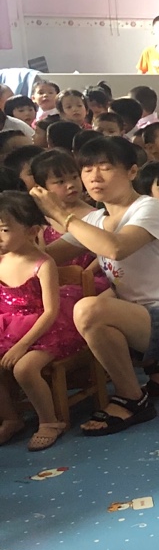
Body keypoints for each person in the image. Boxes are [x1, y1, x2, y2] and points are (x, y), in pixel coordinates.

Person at [36, 136, 159, 434]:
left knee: (89, 310)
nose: (94, 177)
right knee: (93, 309)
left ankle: (131, 398)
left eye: (105, 167)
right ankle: (153, 373)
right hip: (142, 320)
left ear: (132, 171)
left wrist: (62, 214)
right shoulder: (95, 219)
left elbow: (116, 248)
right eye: (87, 169)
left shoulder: (149, 208)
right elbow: (47, 257)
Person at [0, 191, 86, 452]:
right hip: (8, 327)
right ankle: (11, 418)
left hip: (46, 329)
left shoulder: (43, 264)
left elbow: (50, 312)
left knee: (24, 369)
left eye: (4, 229)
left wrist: (22, 345)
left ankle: (49, 421)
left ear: (32, 231)